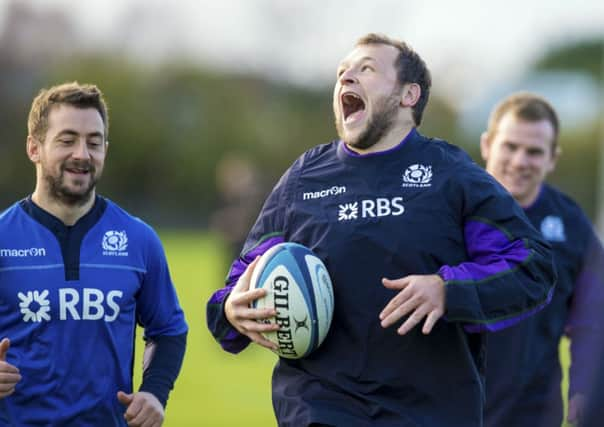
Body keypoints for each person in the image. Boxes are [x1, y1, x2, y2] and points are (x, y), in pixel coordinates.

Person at [206, 34, 556, 427]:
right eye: (342, 72)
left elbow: (533, 268)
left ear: (409, 94)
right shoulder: (303, 178)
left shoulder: (451, 176)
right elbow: (242, 281)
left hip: (429, 413)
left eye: (366, 69)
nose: (347, 78)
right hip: (319, 409)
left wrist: (447, 290)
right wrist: (229, 310)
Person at [0, 82, 188, 426]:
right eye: (67, 140)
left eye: (94, 142)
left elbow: (169, 329)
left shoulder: (138, 239)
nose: (82, 154)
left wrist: (154, 392)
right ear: (34, 148)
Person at [480, 92, 604, 427]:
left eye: (534, 152)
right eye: (511, 146)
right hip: (446, 410)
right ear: (487, 145)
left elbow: (594, 321)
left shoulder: (572, 226)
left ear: (552, 159)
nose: (520, 161)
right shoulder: (448, 210)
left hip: (532, 414)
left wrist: (585, 396)